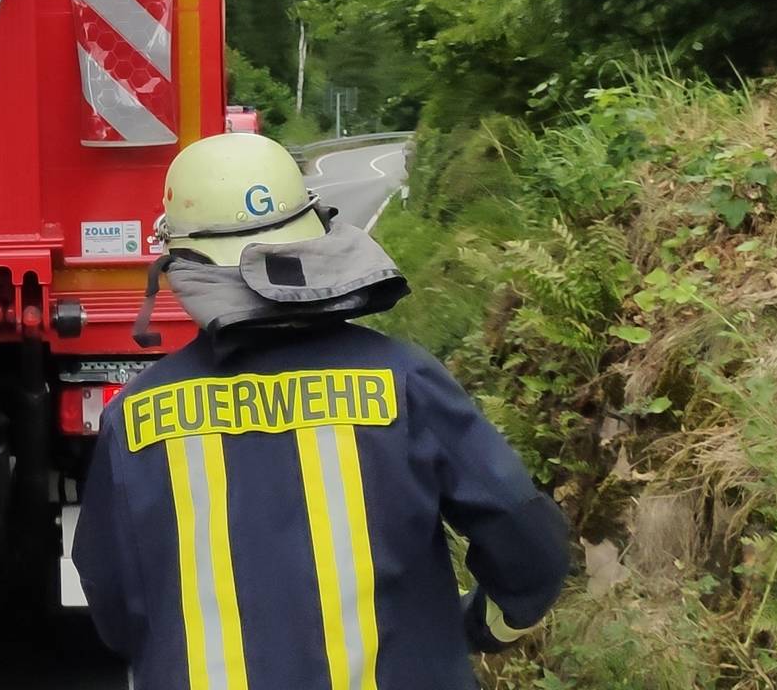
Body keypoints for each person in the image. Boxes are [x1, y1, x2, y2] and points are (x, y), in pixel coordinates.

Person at [72, 132, 570, 689]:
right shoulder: (404, 381)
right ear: (315, 238)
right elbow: (530, 546)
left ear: (179, 261)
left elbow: (113, 598)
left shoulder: (137, 414)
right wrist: (486, 627)